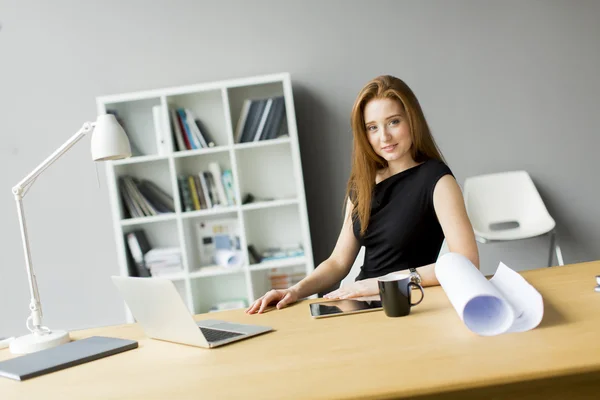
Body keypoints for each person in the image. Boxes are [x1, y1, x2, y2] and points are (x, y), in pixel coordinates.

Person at [246, 75, 479, 315]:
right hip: (360, 302)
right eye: (372, 127)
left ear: (412, 120)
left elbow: (466, 260)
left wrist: (386, 282)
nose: (384, 137)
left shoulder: (437, 180)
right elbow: (338, 262)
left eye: (394, 122)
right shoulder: (362, 184)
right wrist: (294, 291)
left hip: (405, 304)